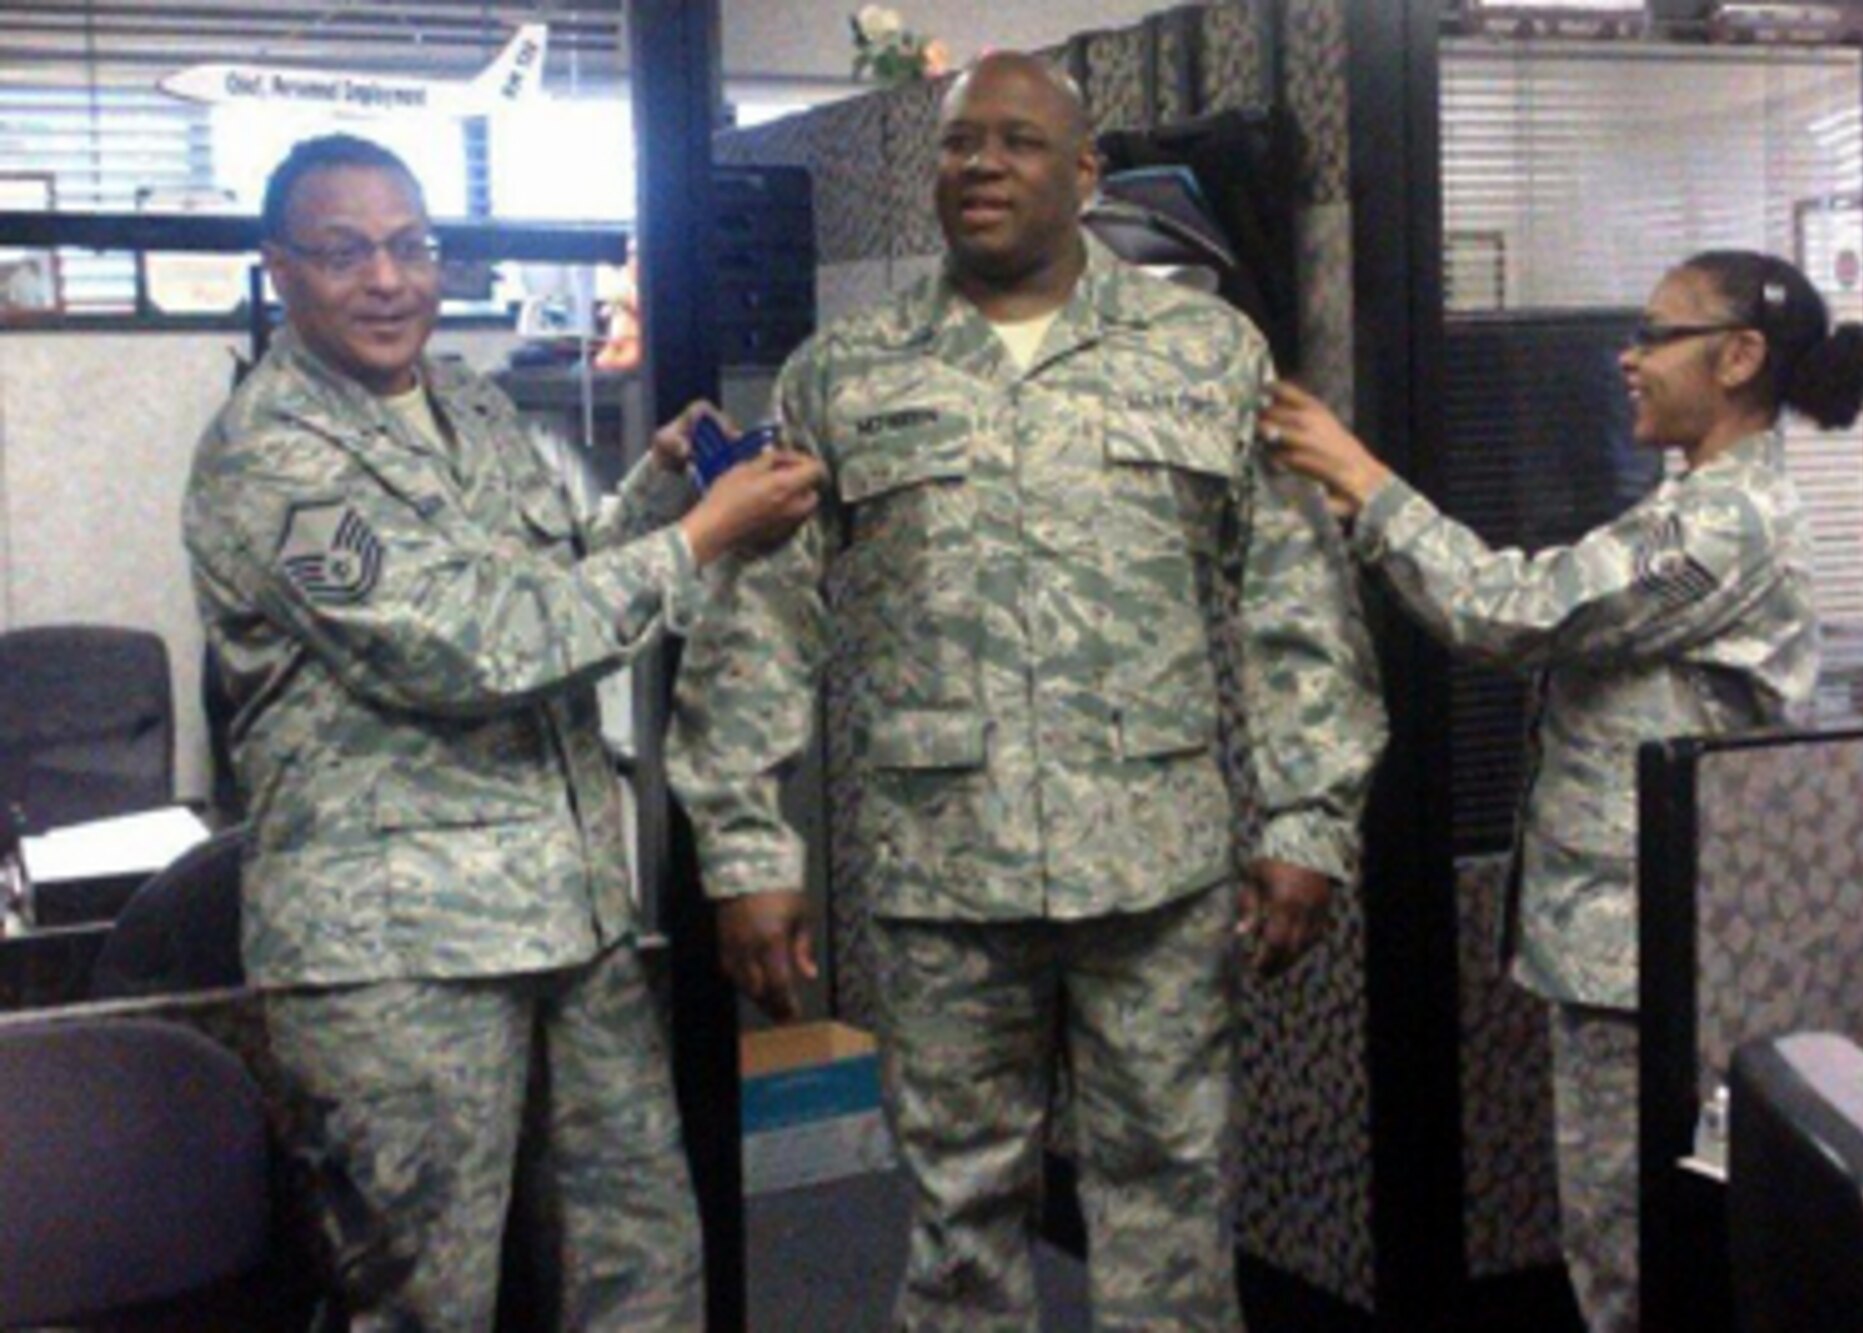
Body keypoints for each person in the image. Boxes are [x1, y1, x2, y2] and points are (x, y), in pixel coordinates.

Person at [669, 53, 1386, 1331]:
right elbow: (758, 626)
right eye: (958, 146)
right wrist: (744, 854)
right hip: (945, 882)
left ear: (1084, 172)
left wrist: (1308, 821)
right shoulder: (846, 372)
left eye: (1016, 143)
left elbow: (1295, 603)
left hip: (1154, 876)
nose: (981, 166)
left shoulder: (1206, 353)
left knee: (1168, 1208)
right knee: (957, 1218)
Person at [181, 133, 824, 1329]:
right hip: (397, 961)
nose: (388, 280)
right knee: (426, 1296)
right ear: (280, 270)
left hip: (564, 918)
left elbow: (557, 579)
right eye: (344, 253)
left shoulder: (466, 402)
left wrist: (663, 493)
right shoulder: (268, 458)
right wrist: (699, 540)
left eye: (410, 247)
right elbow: (468, 641)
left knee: (640, 1270)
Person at [1256, 250, 1863, 1331]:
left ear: (1736, 356)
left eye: (1653, 334)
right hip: (1619, 947)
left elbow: (1515, 610)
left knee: (1632, 1255)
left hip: (1646, 961)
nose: (1627, 359)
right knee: (1626, 1240)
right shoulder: (1696, 503)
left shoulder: (1726, 523)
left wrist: (1362, 479)